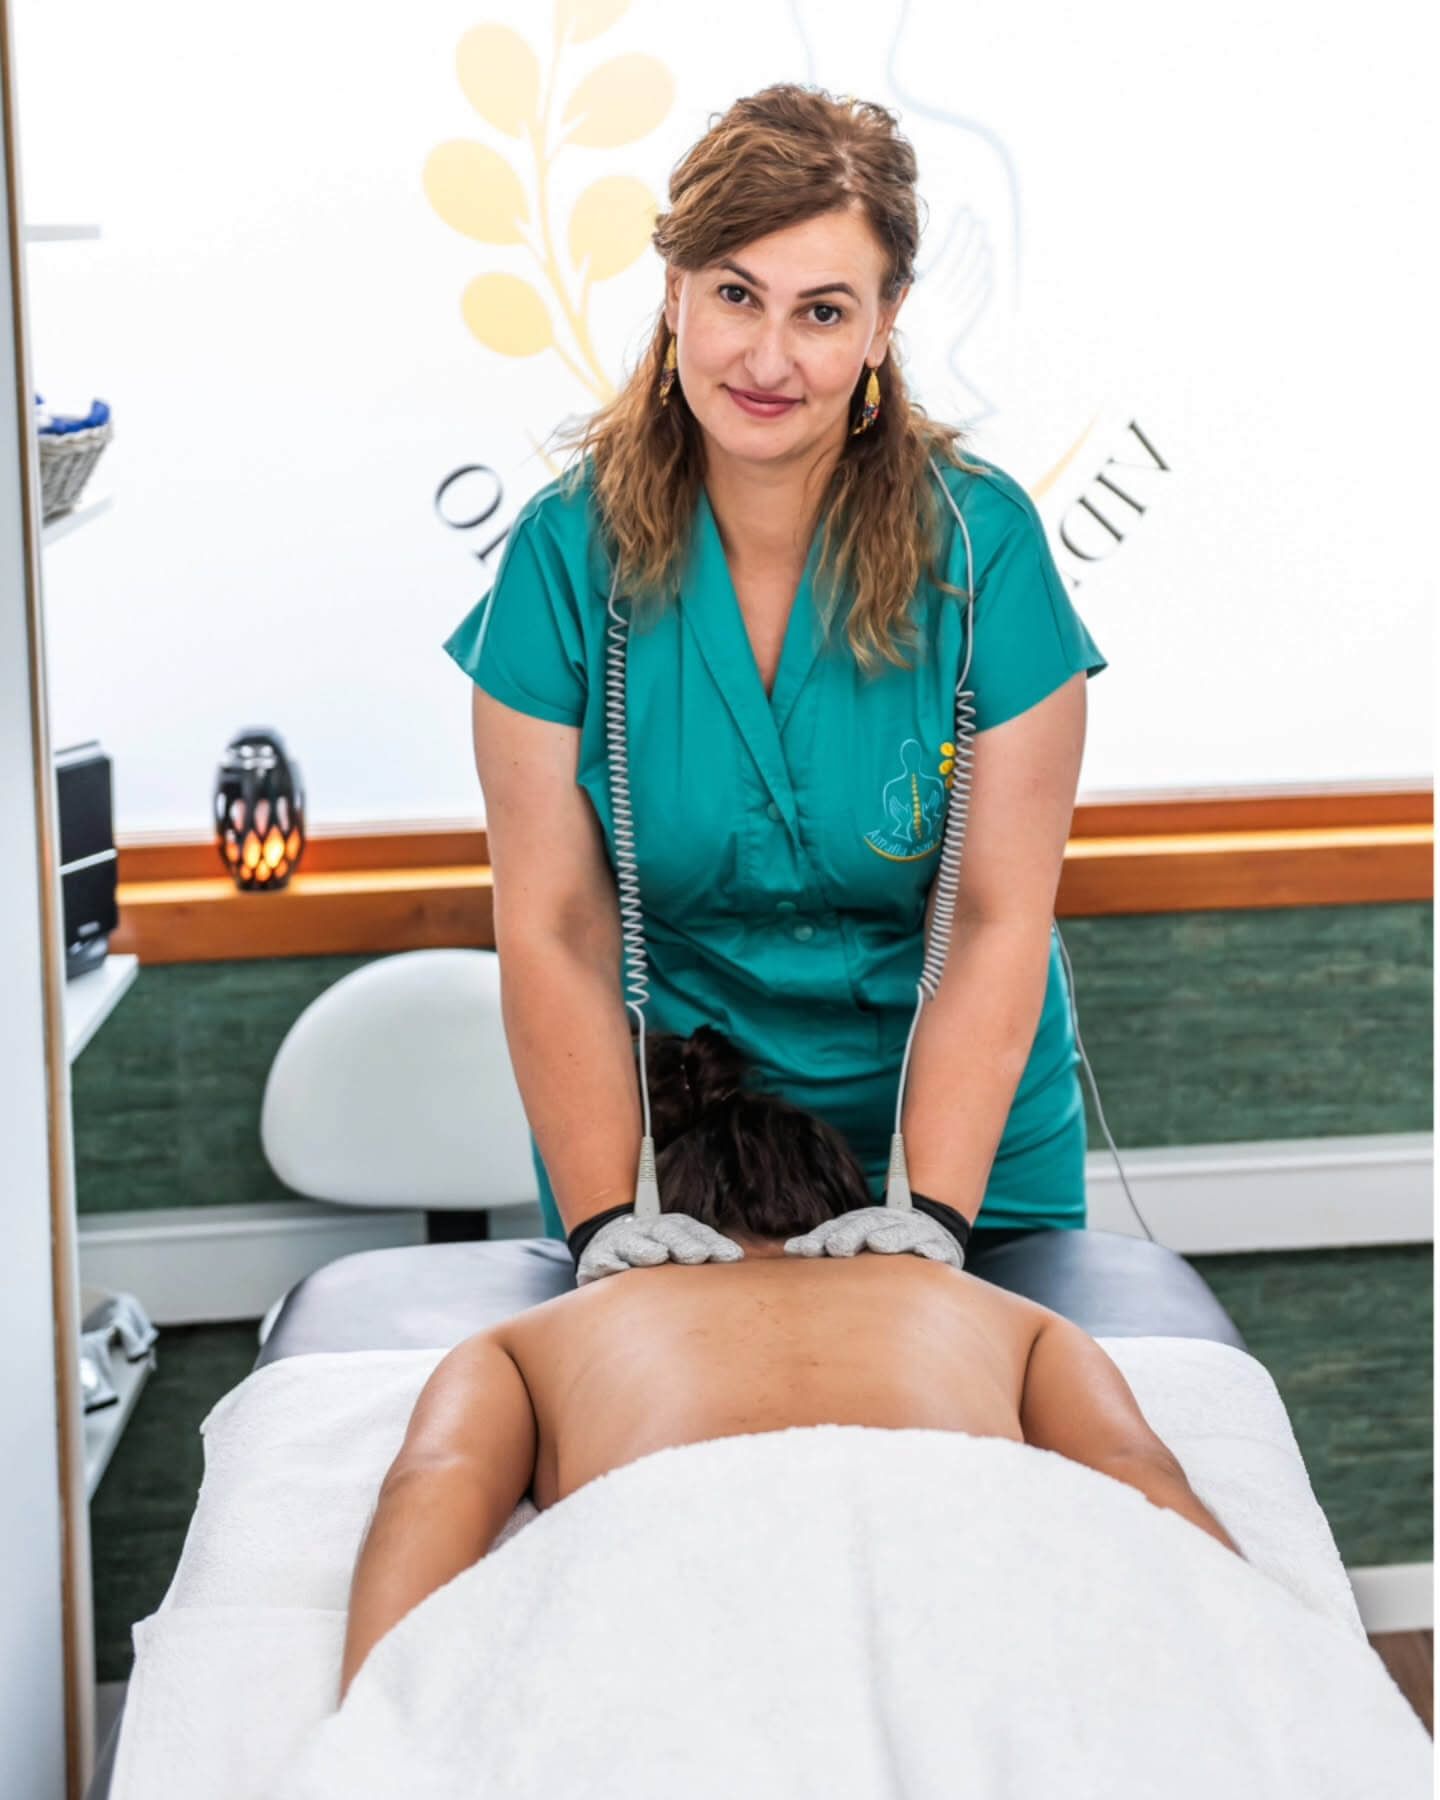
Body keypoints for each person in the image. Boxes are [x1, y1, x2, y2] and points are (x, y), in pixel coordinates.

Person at [442, 84, 1108, 1277]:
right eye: (737, 294)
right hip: (670, 1152)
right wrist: (606, 1222)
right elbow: (552, 928)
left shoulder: (983, 551)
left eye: (822, 311)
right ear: (675, 291)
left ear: (884, 323)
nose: (767, 356)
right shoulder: (560, 559)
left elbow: (1002, 918)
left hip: (960, 1156)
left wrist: (934, 1220)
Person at [337, 1027, 1239, 1704]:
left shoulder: (539, 1335)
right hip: (963, 1590)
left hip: (668, 1600)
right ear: (852, 1212)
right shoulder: (1008, 1318)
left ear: (651, 1224)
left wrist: (374, 1718)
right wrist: (1278, 1661)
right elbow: (1138, 1474)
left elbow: (432, 1482)